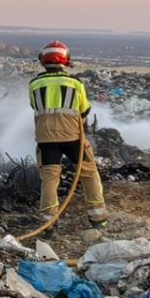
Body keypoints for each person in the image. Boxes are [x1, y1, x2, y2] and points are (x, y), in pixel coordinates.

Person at [28, 41, 106, 227]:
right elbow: (84, 109)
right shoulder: (75, 84)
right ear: (66, 61)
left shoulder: (34, 84)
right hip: (73, 138)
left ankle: (49, 223)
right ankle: (98, 218)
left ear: (43, 61)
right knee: (89, 174)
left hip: (46, 140)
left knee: (49, 180)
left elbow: (34, 106)